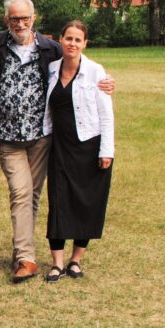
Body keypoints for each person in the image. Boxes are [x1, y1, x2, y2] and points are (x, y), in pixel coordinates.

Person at [0, 0, 113, 283]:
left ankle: (23, 252)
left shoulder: (49, 49)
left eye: (25, 18)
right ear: (7, 21)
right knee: (20, 192)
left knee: (31, 195)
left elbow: (78, 62)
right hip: (8, 137)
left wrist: (106, 80)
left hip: (41, 137)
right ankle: (26, 259)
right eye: (14, 19)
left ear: (34, 19)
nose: (20, 24)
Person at [42, 21, 114, 281]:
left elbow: (107, 115)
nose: (72, 44)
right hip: (59, 146)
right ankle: (57, 262)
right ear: (60, 40)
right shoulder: (51, 69)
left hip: (89, 145)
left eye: (77, 40)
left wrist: (106, 151)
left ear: (85, 43)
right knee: (59, 202)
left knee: (87, 203)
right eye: (68, 38)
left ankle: (76, 259)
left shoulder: (96, 72)